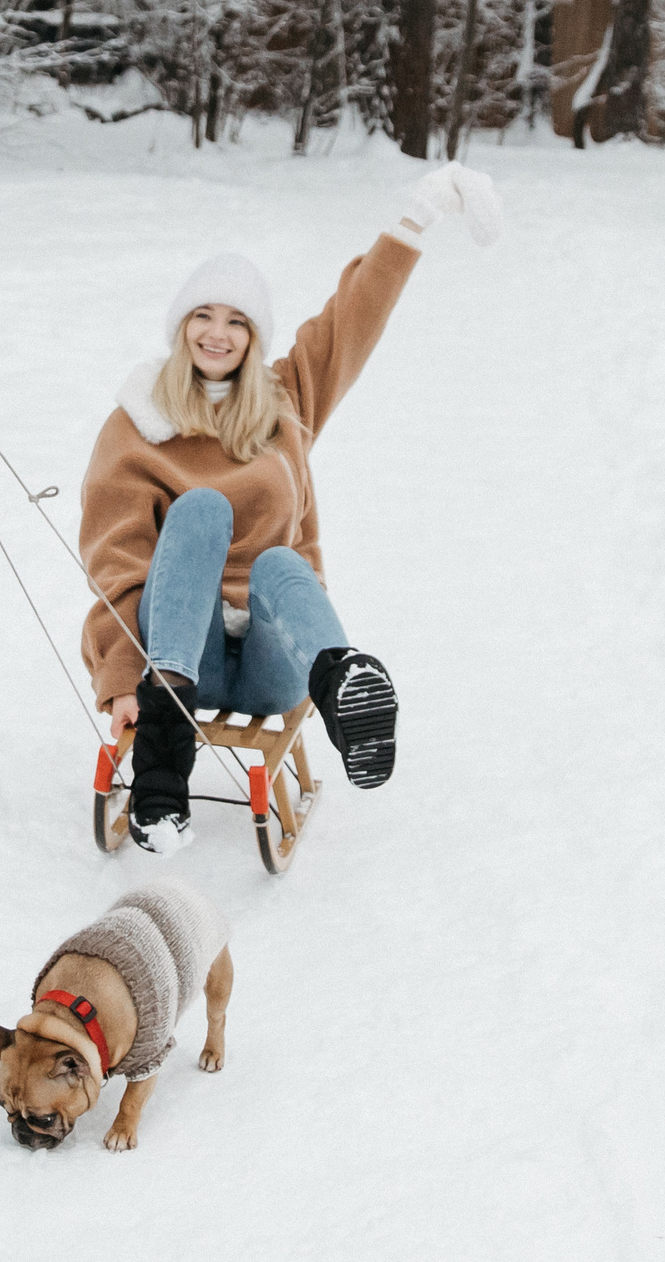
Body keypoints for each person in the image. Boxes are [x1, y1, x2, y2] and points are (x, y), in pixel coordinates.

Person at [77, 166, 502, 850]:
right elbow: (115, 564)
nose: (217, 334)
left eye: (236, 322)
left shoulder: (283, 402)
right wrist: (120, 675)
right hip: (183, 654)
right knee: (202, 510)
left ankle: (342, 685)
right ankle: (163, 749)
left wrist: (416, 217)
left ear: (255, 337)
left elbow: (350, 320)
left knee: (280, 558)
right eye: (203, 317)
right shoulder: (137, 425)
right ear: (181, 325)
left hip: (275, 657)